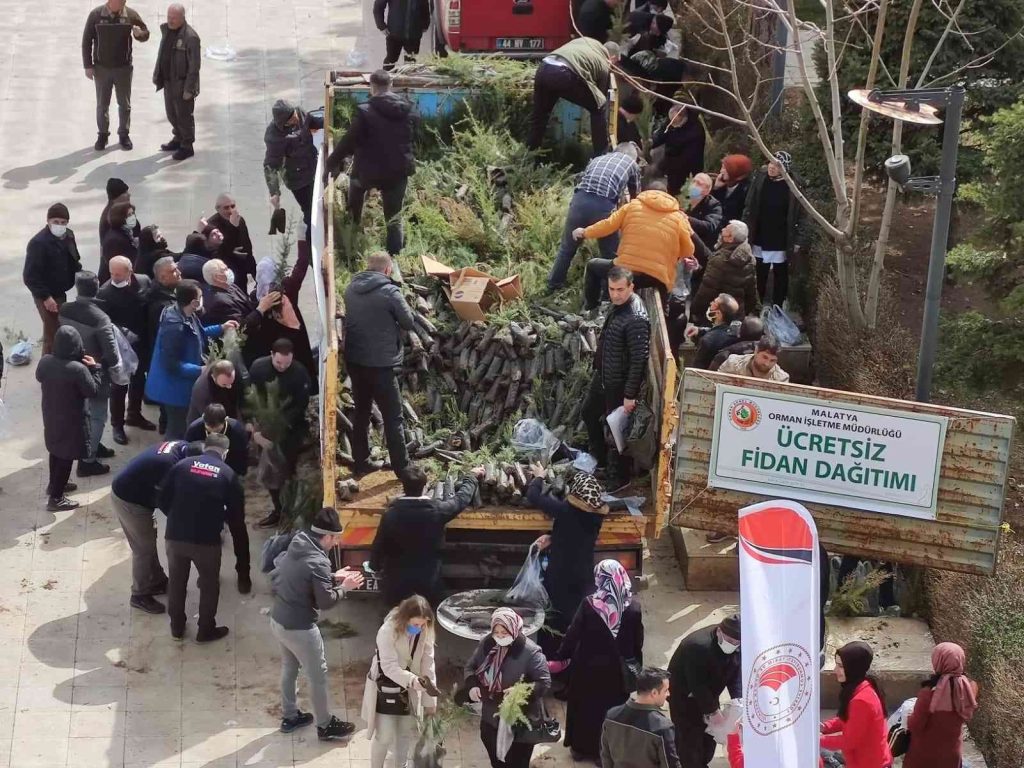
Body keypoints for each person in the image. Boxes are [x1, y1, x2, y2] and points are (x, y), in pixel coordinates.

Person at [269, 506, 364, 740]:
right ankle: (325, 725)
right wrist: (345, 587)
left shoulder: (299, 542)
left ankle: (290, 716)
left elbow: (305, 575)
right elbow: (326, 602)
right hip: (300, 628)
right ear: (327, 536)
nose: (335, 544)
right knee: (317, 676)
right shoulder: (318, 561)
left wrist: (332, 576)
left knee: (290, 668)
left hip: (279, 620)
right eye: (335, 539)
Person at [160, 432, 250, 641]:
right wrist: (221, 520)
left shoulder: (182, 465)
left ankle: (176, 628)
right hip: (206, 541)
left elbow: (162, 497)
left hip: (175, 537)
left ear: (204, 447)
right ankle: (205, 629)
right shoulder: (228, 474)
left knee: (177, 581)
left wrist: (175, 519)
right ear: (225, 453)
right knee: (209, 584)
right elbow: (237, 516)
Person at [553, 560, 644, 762]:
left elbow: (573, 634)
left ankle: (580, 749)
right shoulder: (633, 609)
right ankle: (604, 754)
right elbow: (637, 643)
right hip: (616, 673)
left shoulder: (589, 604)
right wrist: (636, 669)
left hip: (587, 668)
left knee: (585, 709)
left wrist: (561, 656)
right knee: (611, 714)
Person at [325, 69, 417, 257]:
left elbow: (348, 142)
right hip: (397, 172)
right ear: (390, 85)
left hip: (368, 171)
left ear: (372, 88)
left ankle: (352, 234)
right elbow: (413, 137)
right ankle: (394, 258)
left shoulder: (366, 112)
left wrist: (331, 162)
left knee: (356, 193)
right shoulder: (407, 109)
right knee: (394, 218)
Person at [368, 464, 483, 608]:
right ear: (425, 486)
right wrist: (471, 477)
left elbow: (378, 546)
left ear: (403, 487)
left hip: (396, 584)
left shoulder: (391, 515)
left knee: (397, 622)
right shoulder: (437, 511)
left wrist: (375, 566)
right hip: (428, 583)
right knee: (423, 621)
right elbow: (461, 500)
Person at [111, 439, 203, 614]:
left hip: (135, 489)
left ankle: (156, 581)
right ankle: (139, 595)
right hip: (128, 500)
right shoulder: (168, 467)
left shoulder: (182, 446)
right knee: (143, 548)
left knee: (149, 541)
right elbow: (166, 502)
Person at [343, 252, 414, 477]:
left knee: (362, 413)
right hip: (382, 365)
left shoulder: (351, 289)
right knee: (394, 417)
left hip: (356, 362)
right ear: (386, 270)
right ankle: (402, 468)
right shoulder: (390, 292)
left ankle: (361, 462)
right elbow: (408, 321)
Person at [578, 177, 696, 310]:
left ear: (646, 192)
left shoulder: (632, 206)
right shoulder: (678, 218)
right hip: (657, 277)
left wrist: (584, 232)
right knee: (662, 302)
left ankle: (591, 308)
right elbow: (689, 250)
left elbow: (608, 225)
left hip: (627, 269)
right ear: (667, 195)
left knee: (593, 266)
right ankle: (664, 311)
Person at [526, 469, 609, 652]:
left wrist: (539, 476)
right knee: (578, 616)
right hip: (584, 576)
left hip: (560, 575)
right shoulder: (597, 516)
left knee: (554, 616)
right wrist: (554, 537)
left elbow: (533, 496)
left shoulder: (565, 510)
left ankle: (550, 656)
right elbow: (576, 535)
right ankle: (574, 656)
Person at [582, 267, 650, 489]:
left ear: (631, 287)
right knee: (589, 412)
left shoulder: (636, 318)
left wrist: (629, 394)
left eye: (620, 289)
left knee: (615, 432)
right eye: (611, 289)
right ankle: (599, 460)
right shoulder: (619, 307)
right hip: (604, 376)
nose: (615, 294)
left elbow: (639, 360)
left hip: (618, 383)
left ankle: (618, 477)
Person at [463, 608, 551, 768]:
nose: (500, 636)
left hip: (520, 721)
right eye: (496, 632)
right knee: (497, 761)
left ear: (514, 629)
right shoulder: (487, 644)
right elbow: (471, 667)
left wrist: (520, 692)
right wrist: (472, 686)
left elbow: (543, 682)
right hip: (491, 718)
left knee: (517, 763)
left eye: (504, 632)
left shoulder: (531, 652)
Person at [146, 280, 234, 439]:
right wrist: (201, 369)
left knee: (179, 425)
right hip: (174, 389)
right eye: (200, 296)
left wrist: (221, 328)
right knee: (177, 429)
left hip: (179, 384)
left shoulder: (186, 314)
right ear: (194, 302)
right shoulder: (174, 327)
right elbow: (171, 365)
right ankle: (170, 458)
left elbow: (198, 333)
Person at [547, 143, 641, 291]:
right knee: (609, 254)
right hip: (602, 205)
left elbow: (581, 180)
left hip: (579, 201)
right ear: (633, 157)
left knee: (567, 248)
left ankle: (554, 284)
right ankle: (608, 293)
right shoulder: (631, 164)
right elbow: (636, 196)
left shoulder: (598, 159)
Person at [363, 595, 438, 768]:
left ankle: (401, 765)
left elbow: (428, 664)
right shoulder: (387, 631)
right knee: (384, 735)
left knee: (405, 733)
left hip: (410, 690)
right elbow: (388, 666)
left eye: (422, 624)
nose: (418, 628)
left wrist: (430, 701)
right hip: (386, 688)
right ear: (405, 618)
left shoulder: (425, 632)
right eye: (415, 624)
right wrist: (413, 680)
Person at [59, 271, 119, 475]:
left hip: (71, 368)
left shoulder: (65, 309)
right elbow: (111, 353)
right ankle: (88, 459)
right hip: (95, 371)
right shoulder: (100, 317)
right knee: (98, 416)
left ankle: (94, 444)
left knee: (86, 413)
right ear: (97, 287)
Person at [36, 327, 102, 512]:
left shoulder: (45, 362)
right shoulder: (78, 370)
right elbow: (92, 391)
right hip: (72, 421)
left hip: (51, 415)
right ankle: (56, 498)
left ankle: (54, 485)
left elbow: (39, 376)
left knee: (55, 450)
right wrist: (94, 368)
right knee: (66, 456)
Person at [249, 339, 314, 528]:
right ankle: (278, 509)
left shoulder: (299, 374)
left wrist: (279, 424)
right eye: (278, 363)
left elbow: (300, 406)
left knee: (287, 470)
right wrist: (258, 429)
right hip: (265, 426)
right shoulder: (259, 368)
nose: (282, 367)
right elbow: (252, 398)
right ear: (271, 355)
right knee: (270, 472)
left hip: (291, 428)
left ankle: (289, 509)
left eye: (287, 363)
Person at [667, 614, 742, 768]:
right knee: (689, 738)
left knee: (709, 737)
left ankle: (702, 762)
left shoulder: (738, 645)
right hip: (685, 696)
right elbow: (697, 683)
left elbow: (735, 672)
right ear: (719, 632)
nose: (733, 645)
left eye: (736, 643)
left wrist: (738, 701)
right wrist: (713, 712)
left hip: (711, 691)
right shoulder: (698, 646)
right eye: (730, 641)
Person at [98, 255, 156, 443]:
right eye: (112, 273)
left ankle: (134, 413)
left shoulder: (144, 281)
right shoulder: (104, 293)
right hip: (120, 347)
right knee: (119, 386)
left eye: (119, 274)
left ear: (130, 272)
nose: (115, 277)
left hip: (142, 343)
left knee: (139, 380)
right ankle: (117, 425)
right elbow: (105, 323)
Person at [528, 38, 620, 156]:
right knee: (600, 106)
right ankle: (601, 157)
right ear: (612, 58)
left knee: (540, 116)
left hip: (544, 67)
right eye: (615, 63)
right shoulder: (603, 63)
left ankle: (529, 156)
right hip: (565, 73)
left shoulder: (586, 41)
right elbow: (599, 96)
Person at [82, 0, 150, 150]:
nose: (119, 6)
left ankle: (124, 135)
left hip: (123, 69)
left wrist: (140, 34)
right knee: (102, 105)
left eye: (122, 3)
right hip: (102, 69)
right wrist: (88, 65)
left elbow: (145, 33)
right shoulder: (96, 15)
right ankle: (103, 135)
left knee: (124, 104)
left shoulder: (130, 15)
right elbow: (87, 40)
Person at [743, 151, 805, 308]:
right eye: (770, 163)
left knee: (780, 273)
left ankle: (778, 304)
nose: (771, 167)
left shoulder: (793, 186)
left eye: (777, 165)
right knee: (759, 270)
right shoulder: (761, 178)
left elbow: (802, 215)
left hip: (781, 236)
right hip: (760, 232)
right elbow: (750, 204)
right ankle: (757, 304)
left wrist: (798, 240)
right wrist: (745, 227)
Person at [903, 642, 979, 768]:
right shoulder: (970, 688)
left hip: (924, 756)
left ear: (938, 661)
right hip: (951, 756)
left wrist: (909, 716)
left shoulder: (928, 693)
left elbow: (915, 725)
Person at [248, 243, 317, 383]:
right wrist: (302, 240)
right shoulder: (286, 288)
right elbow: (301, 265)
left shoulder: (256, 297)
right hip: (292, 346)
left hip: (271, 351)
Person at [821, 641, 892, 768]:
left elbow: (849, 741)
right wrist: (824, 727)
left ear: (853, 668)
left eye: (840, 666)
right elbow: (849, 719)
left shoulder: (861, 700)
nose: (835, 670)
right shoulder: (864, 685)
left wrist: (817, 739)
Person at [24, 203, 82, 355]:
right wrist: (46, 298)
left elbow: (74, 260)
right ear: (48, 221)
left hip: (60, 291)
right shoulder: (38, 243)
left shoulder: (68, 236)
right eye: (56, 222)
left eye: (63, 222)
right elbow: (30, 277)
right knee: (53, 335)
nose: (60, 225)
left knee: (59, 329)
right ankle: (48, 369)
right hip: (46, 295)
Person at [201, 258, 282, 362]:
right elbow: (239, 327)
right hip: (249, 348)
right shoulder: (219, 302)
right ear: (217, 277)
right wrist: (260, 309)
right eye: (224, 269)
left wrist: (265, 301)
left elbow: (247, 304)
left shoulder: (230, 286)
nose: (229, 271)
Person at [602, 667, 681, 768]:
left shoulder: (611, 715)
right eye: (666, 690)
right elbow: (670, 765)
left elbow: (606, 756)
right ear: (654, 693)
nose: (668, 694)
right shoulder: (662, 727)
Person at [264, 99, 320, 237]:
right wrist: (274, 191)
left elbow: (312, 122)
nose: (296, 118)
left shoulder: (299, 112)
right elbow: (270, 165)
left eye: (295, 114)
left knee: (320, 206)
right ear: (284, 122)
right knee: (310, 214)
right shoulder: (274, 137)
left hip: (314, 167)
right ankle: (311, 247)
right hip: (298, 180)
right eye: (292, 118)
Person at [153, 3, 201, 160]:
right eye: (168, 17)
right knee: (171, 114)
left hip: (182, 84)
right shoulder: (167, 30)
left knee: (184, 116)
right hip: (168, 81)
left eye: (174, 18)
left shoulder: (191, 37)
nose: (170, 21)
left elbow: (194, 67)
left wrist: (189, 89)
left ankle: (187, 146)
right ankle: (178, 138)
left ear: (182, 18)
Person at [690, 221, 759, 324]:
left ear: (730, 239)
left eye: (726, 229)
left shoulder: (721, 261)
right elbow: (751, 292)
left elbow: (706, 291)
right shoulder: (749, 258)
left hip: (716, 314)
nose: (722, 230)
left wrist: (694, 310)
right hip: (736, 314)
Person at [653, 105, 706, 197]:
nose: (672, 125)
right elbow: (662, 134)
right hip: (672, 166)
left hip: (688, 167)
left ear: (683, 118)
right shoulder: (672, 121)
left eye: (675, 123)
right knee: (671, 191)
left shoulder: (695, 130)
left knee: (687, 194)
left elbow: (690, 154)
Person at [185, 403, 250, 477]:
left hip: (229, 469)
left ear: (225, 419)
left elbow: (241, 457)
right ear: (203, 417)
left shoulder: (237, 431)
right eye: (209, 427)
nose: (213, 431)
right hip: (201, 468)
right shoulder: (194, 429)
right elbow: (188, 452)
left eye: (217, 428)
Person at [207, 194, 256, 286]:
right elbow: (216, 252)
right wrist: (232, 226)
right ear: (218, 209)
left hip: (242, 268)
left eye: (233, 206)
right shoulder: (212, 226)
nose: (230, 211)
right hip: (227, 271)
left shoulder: (240, 220)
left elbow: (247, 244)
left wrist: (252, 269)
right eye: (226, 208)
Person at [685, 294, 740, 369]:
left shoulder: (707, 341)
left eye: (714, 303)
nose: (711, 303)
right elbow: (721, 332)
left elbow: (697, 369)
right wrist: (701, 330)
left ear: (718, 314)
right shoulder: (739, 329)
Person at [373, 0, 430, 69]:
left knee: (410, 64)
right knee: (391, 61)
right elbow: (378, 7)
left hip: (414, 34)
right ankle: (385, 78)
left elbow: (425, 7)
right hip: (394, 33)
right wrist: (381, 25)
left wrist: (425, 24)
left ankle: (408, 79)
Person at [186, 358, 243, 424]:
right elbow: (213, 421)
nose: (229, 387)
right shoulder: (202, 392)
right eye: (224, 384)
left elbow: (241, 397)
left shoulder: (234, 372)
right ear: (213, 377)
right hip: (206, 422)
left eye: (231, 382)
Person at [718, 334, 790, 382]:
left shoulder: (781, 379)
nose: (767, 364)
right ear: (756, 351)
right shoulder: (732, 364)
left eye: (772, 360)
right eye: (764, 357)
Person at [99, 201, 139, 283]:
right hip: (118, 281)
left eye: (133, 214)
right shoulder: (114, 240)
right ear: (120, 217)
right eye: (129, 215)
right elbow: (116, 265)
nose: (133, 217)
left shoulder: (128, 232)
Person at [686, 173, 724, 253]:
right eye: (693, 181)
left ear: (707, 190)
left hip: (700, 249)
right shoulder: (682, 199)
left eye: (699, 184)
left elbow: (709, 226)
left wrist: (686, 219)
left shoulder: (714, 205)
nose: (694, 185)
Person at [712, 154, 753, 224]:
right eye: (722, 167)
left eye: (725, 169)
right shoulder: (716, 183)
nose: (721, 171)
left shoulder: (747, 191)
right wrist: (715, 188)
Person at [99, 178, 135, 243]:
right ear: (117, 196)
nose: (129, 195)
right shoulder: (111, 217)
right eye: (125, 193)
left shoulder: (123, 211)